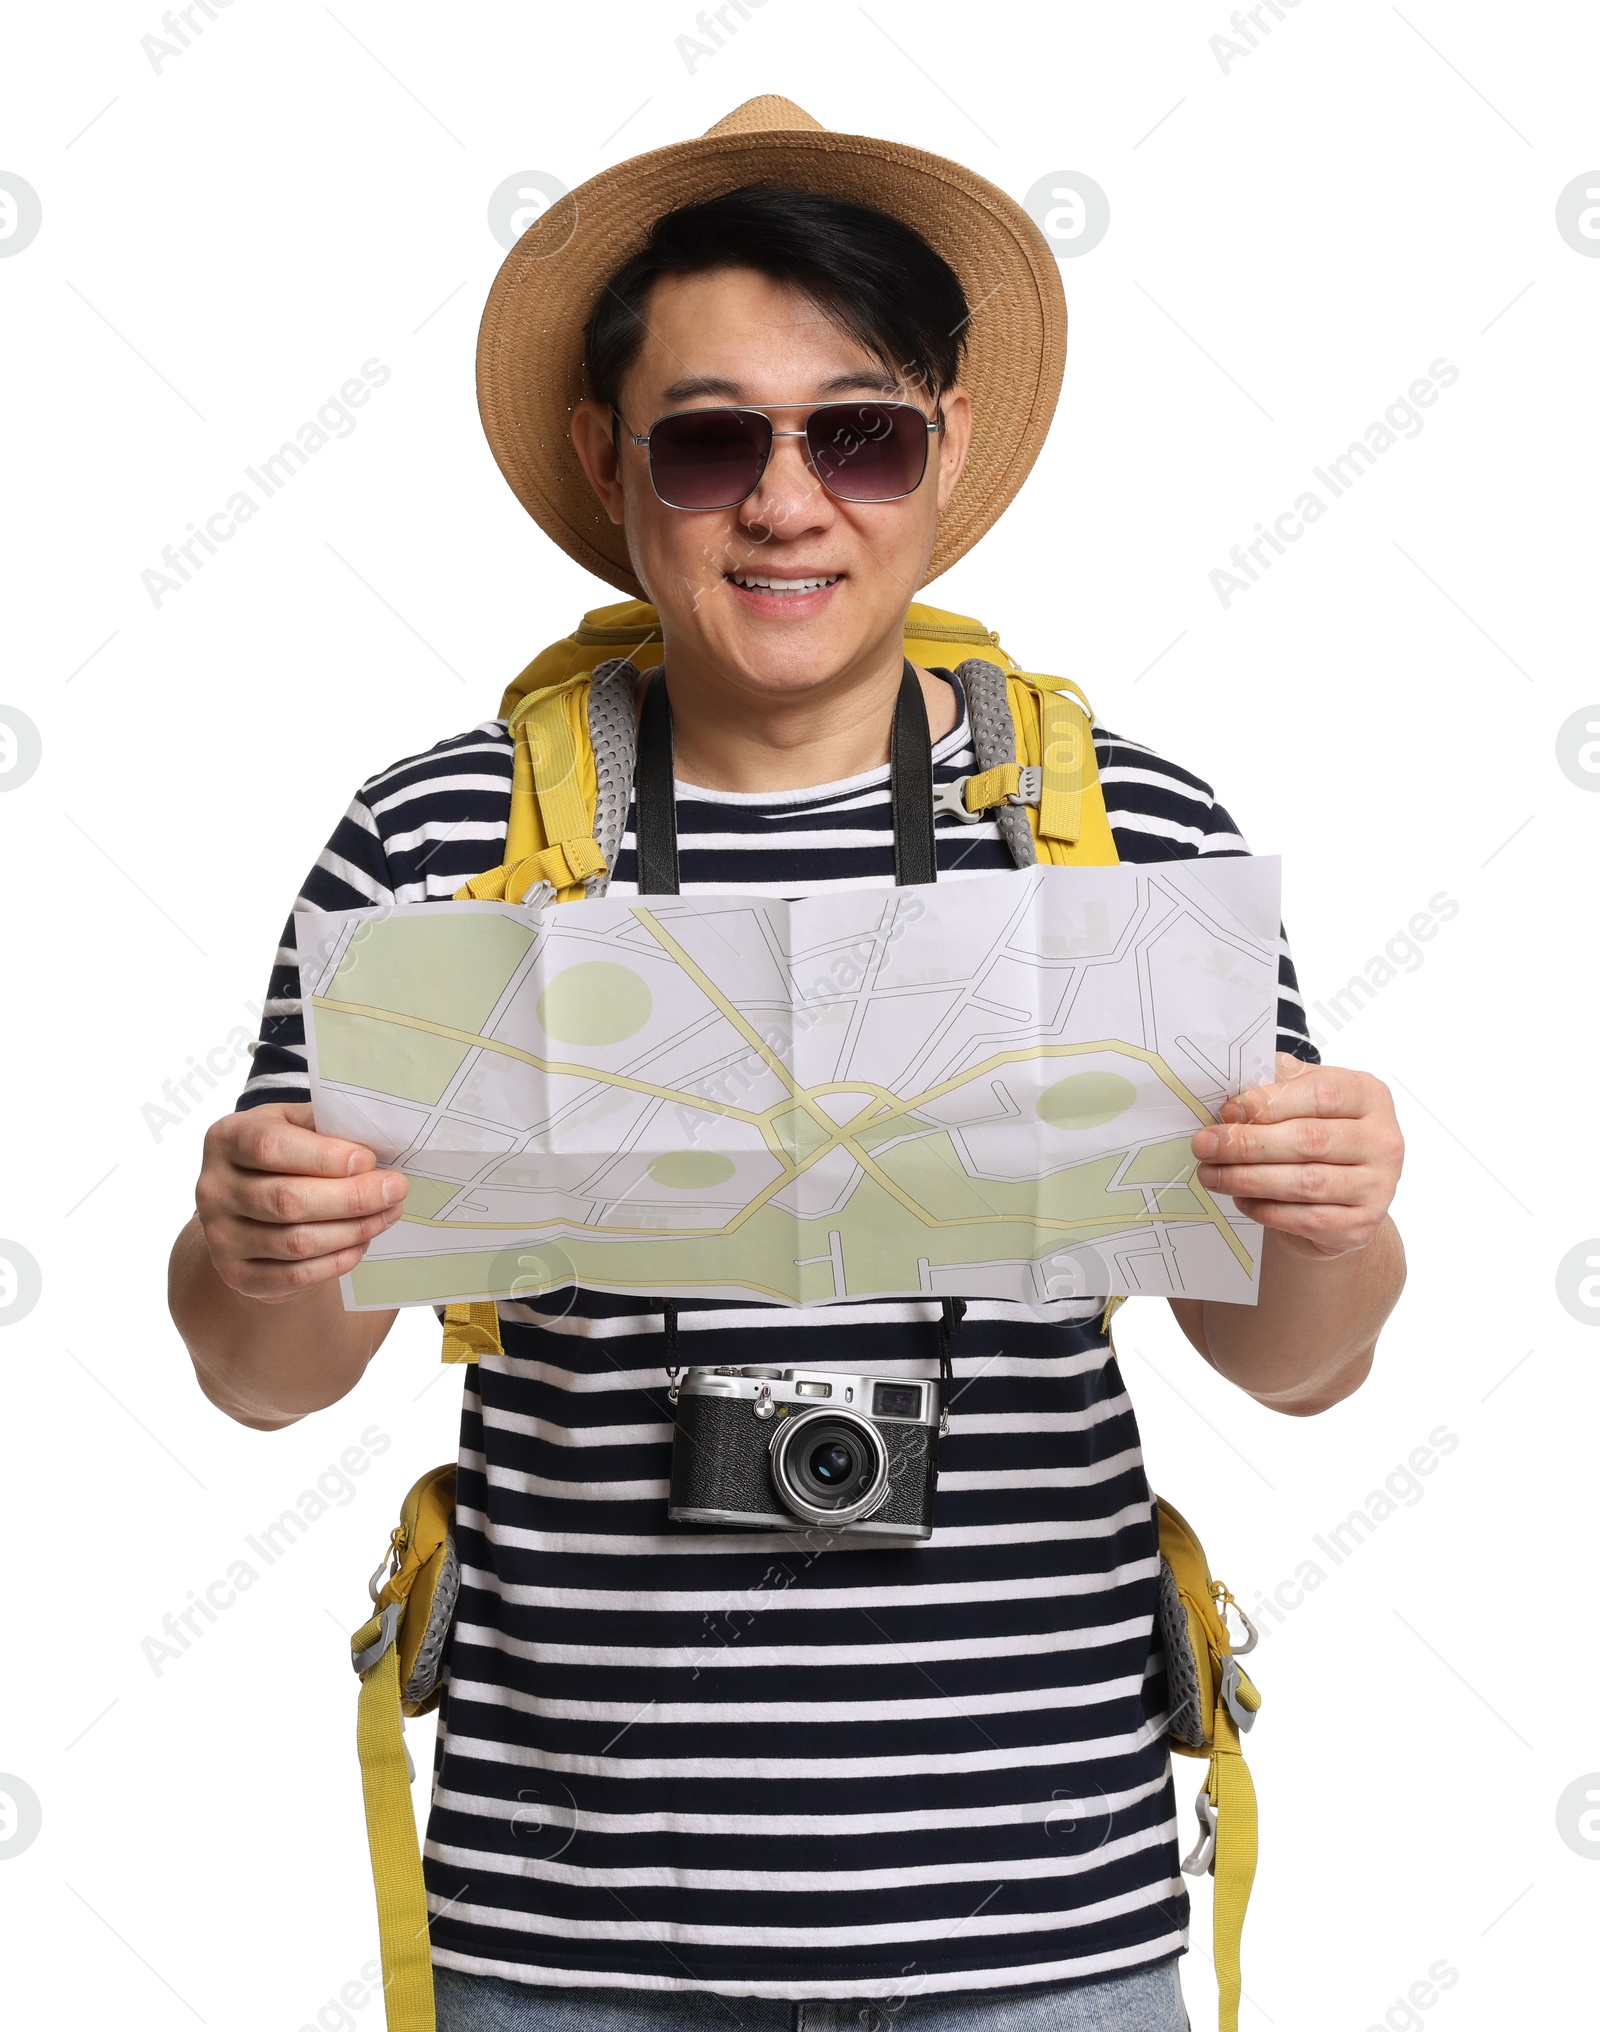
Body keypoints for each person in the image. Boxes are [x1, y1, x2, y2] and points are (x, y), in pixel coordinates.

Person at [168, 98, 1405, 2032]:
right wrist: (252, 1242)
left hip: (1041, 1924)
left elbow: (1306, 1359)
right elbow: (259, 1383)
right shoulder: (435, 845)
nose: (788, 498)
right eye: (710, 437)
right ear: (610, 460)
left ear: (949, 450)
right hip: (570, 1938)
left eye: (860, 432)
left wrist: (1333, 1213)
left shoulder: (1123, 839)